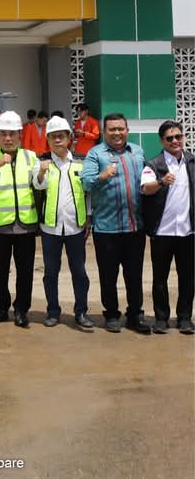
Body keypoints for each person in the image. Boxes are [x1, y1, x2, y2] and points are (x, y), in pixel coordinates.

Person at [81, 113, 149, 334]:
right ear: (104, 131)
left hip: (134, 227)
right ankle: (111, 314)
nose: (117, 133)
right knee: (108, 275)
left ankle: (135, 315)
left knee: (134, 274)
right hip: (106, 228)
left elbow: (146, 184)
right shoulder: (95, 154)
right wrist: (102, 176)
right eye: (112, 129)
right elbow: (86, 183)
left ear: (127, 130)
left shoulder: (137, 152)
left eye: (121, 128)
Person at [32, 117, 95, 329]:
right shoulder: (41, 162)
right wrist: (41, 170)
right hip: (50, 227)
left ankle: (81, 312)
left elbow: (88, 193)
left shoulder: (81, 162)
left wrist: (89, 218)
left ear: (69, 138)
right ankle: (52, 311)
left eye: (61, 135)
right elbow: (38, 186)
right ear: (47, 140)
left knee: (79, 272)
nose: (57, 139)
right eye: (53, 136)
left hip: (76, 227)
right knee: (50, 273)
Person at [0, 111, 39, 327]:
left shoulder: (31, 157)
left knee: (25, 271)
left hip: (25, 225)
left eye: (12, 134)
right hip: (0, 226)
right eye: (4, 134)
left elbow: (39, 187)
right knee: (0, 270)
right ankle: (0, 308)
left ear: (19, 135)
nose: (8, 138)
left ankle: (22, 310)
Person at [141, 121, 194, 335]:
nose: (175, 141)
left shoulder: (191, 161)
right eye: (170, 138)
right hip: (162, 232)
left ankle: (184, 319)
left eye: (178, 136)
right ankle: (161, 318)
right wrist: (162, 181)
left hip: (187, 232)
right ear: (162, 141)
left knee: (188, 277)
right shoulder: (153, 164)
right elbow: (145, 188)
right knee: (160, 278)